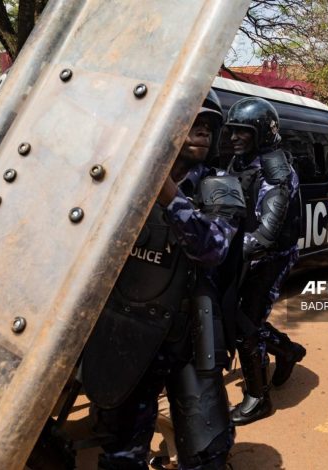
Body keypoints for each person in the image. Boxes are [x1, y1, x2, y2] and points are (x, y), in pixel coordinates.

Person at [81, 89, 245, 470]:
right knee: (120, 450)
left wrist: (165, 191)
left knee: (206, 452)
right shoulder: (124, 184)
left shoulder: (220, 187)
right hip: (133, 332)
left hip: (188, 338)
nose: (201, 133)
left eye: (207, 127)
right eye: (192, 125)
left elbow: (212, 248)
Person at [224, 97, 306, 426]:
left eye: (242, 132)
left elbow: (265, 236)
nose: (234, 138)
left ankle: (259, 397)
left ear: (261, 133)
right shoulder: (241, 162)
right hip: (245, 252)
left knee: (246, 325)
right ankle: (287, 351)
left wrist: (222, 249)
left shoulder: (277, 172)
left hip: (272, 256)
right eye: (232, 132)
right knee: (239, 318)